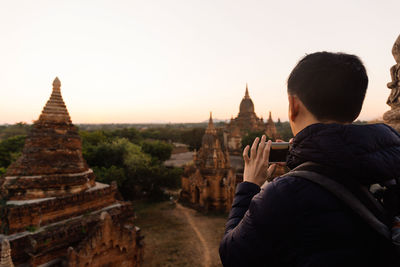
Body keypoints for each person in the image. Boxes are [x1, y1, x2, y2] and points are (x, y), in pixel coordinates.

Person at [219, 52, 400, 267]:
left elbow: (232, 255)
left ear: (293, 106)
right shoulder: (393, 165)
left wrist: (249, 186)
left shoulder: (282, 194)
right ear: (356, 107)